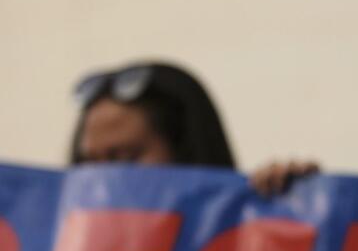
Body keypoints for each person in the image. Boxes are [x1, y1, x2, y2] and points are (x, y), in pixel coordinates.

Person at [69, 61, 317, 193]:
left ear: (184, 151)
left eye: (123, 159)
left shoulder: (251, 238)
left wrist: (294, 204)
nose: (98, 179)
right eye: (88, 162)